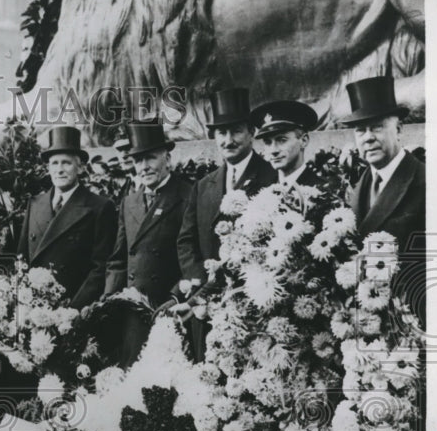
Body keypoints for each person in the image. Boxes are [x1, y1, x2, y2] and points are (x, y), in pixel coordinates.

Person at [341, 75, 426, 431]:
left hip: (411, 326)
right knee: (373, 426)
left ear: (398, 126)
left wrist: (411, 314)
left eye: (375, 126)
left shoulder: (423, 180)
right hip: (369, 330)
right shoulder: (360, 187)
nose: (367, 137)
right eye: (359, 130)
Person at [167, 88, 277, 359]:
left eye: (236, 131)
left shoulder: (271, 178)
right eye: (221, 133)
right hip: (204, 305)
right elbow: (186, 240)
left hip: (250, 304)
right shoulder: (204, 185)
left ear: (251, 133)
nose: (228, 140)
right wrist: (203, 286)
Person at [104, 121, 192, 362]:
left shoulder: (187, 196)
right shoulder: (129, 202)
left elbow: (194, 258)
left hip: (169, 309)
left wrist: (175, 298)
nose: (144, 167)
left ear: (167, 157)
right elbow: (119, 259)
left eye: (150, 158)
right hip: (131, 312)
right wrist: (109, 298)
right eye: (138, 160)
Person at [17, 126, 117, 309]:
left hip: (73, 309)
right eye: (54, 163)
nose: (60, 170)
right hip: (34, 308)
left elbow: (100, 267)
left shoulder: (100, 207)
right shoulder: (35, 204)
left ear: (80, 168)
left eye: (66, 163)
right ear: (48, 168)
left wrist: (73, 311)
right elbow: (21, 259)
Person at [249, 100, 322, 185]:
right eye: (268, 142)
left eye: (282, 140)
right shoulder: (259, 190)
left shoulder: (323, 191)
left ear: (303, 141)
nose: (273, 151)